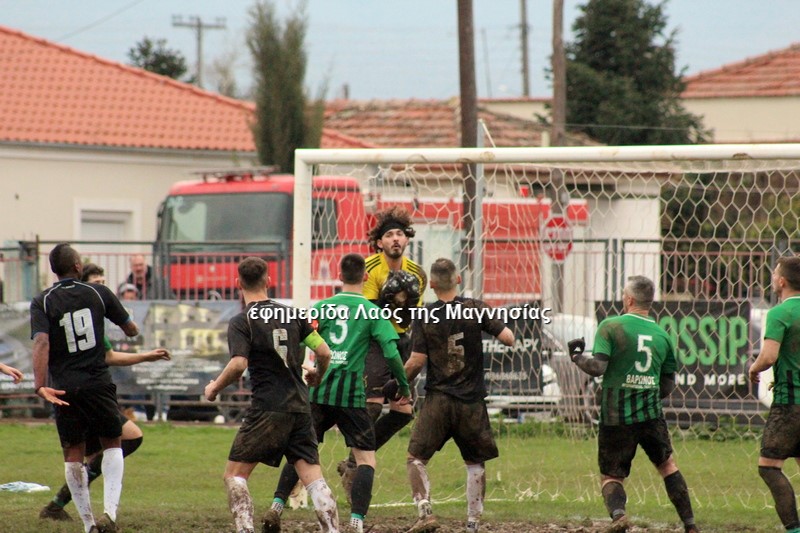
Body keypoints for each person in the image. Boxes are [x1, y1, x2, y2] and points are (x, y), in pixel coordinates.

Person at [270, 253, 411, 533]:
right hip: (352, 396)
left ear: (339, 275)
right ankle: (356, 522)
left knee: (301, 451)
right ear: (366, 277)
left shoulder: (321, 307)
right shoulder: (372, 312)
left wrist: (301, 370)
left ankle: (276, 506)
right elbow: (392, 353)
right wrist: (403, 385)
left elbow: (299, 343)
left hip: (319, 391)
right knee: (366, 459)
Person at [204, 256, 339, 533]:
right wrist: (318, 374)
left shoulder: (242, 321)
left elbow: (238, 364)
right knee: (314, 479)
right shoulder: (294, 316)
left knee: (235, 475)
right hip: (300, 406)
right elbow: (324, 352)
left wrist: (214, 387)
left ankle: (245, 529)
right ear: (269, 280)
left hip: (268, 407)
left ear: (238, 283)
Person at [40, 262, 170, 522]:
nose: (101, 288)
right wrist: (144, 355)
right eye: (97, 283)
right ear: (83, 283)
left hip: (79, 388)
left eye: (103, 283)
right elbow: (113, 352)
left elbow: (107, 354)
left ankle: (62, 506)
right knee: (114, 445)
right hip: (89, 389)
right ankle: (74, 509)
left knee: (102, 452)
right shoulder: (82, 313)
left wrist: (146, 356)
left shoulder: (81, 313)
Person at [568, 275, 698, 533]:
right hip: (651, 415)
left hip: (616, 415)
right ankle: (690, 525)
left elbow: (597, 367)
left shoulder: (611, 326)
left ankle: (619, 517)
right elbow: (668, 383)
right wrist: (646, 393)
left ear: (628, 299)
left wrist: (577, 356)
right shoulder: (662, 335)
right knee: (668, 466)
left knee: (612, 476)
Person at [31, 244, 140, 533]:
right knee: (113, 443)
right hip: (97, 382)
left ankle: (89, 524)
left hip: (63, 387)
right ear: (78, 267)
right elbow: (131, 329)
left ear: (54, 271)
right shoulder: (99, 293)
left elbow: (41, 342)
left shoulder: (42, 301)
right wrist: (128, 325)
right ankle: (110, 515)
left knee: (73, 453)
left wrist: (39, 385)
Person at [401, 258, 514, 533]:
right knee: (475, 463)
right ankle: (473, 523)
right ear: (458, 280)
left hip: (438, 399)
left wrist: (398, 383)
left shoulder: (425, 315)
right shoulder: (476, 308)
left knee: (416, 458)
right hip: (471, 401)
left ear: (431, 284)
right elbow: (508, 338)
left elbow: (416, 362)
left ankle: (425, 511)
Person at [338, 206, 427, 496]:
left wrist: (405, 305)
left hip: (401, 341)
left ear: (407, 239)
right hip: (374, 342)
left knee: (403, 412)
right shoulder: (369, 268)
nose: (395, 239)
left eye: (400, 234)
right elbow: (366, 311)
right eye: (389, 235)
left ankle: (353, 460)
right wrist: (390, 300)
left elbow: (413, 314)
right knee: (373, 405)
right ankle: (357, 465)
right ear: (379, 242)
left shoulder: (417, 274)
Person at [750, 256, 800, 533]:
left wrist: (753, 368)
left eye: (774, 273)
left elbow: (769, 356)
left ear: (781, 281)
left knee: (768, 466)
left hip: (791, 402)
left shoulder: (780, 313)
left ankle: (794, 529)